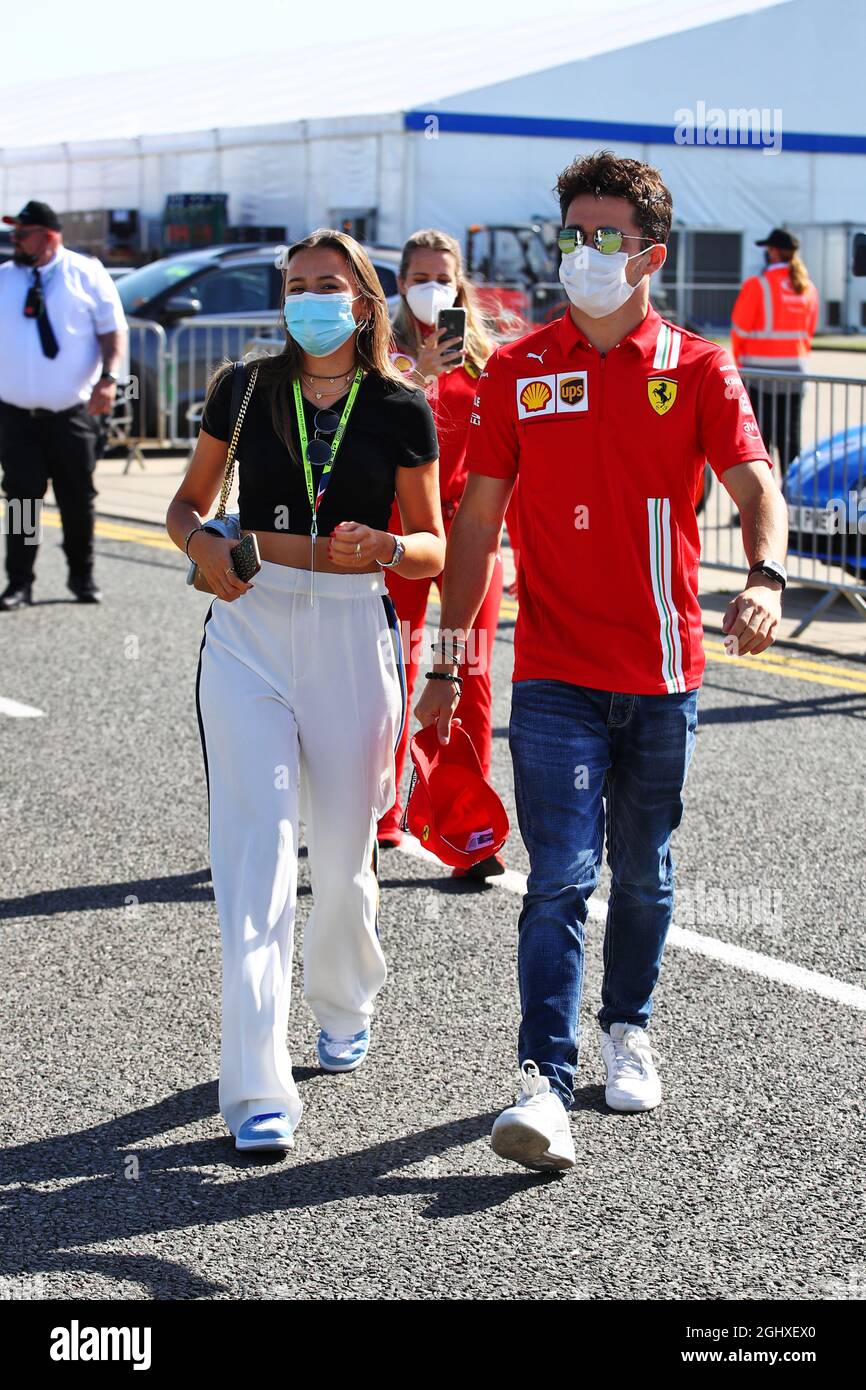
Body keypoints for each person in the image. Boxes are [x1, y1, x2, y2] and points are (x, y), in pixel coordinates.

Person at [415, 150, 789, 1172]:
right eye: (568, 235)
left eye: (602, 238)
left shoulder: (697, 367)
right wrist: (447, 664)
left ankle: (628, 1025)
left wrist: (762, 575)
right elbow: (475, 525)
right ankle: (539, 1077)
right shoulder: (518, 369)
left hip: (663, 671)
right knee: (558, 878)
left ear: (647, 256)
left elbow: (756, 485)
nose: (581, 253)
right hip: (550, 673)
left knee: (645, 874)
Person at [166, 229, 444, 1154]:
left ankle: (341, 995)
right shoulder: (244, 388)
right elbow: (185, 505)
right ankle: (256, 1092)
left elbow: (435, 540)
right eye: (295, 284)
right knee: (254, 869)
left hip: (352, 629)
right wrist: (204, 545)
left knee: (344, 859)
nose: (309, 298)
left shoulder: (402, 405)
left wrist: (395, 551)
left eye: (329, 284)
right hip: (248, 629)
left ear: (365, 300)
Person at [376, 227, 512, 879]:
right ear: (400, 284)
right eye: (420, 277)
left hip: (469, 532)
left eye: (444, 277)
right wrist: (417, 377)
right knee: (394, 670)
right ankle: (382, 809)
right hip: (402, 530)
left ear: (462, 283)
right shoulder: (382, 353)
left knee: (468, 673)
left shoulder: (486, 359)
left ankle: (469, 830)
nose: (433, 288)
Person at [0, 200, 127, 609]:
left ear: (49, 236)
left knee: (77, 500)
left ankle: (82, 577)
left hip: (73, 415)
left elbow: (112, 332)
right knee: (21, 502)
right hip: (16, 416)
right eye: (13, 234)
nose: (14, 240)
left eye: (22, 234)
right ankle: (19, 581)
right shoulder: (4, 278)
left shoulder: (86, 273)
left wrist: (108, 380)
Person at [731, 228, 819, 477]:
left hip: (760, 376)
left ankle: (760, 509)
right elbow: (809, 332)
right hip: (795, 375)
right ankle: (792, 502)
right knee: (791, 443)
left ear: (772, 252)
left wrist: (741, 366)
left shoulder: (758, 285)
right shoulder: (807, 289)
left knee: (759, 445)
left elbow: (739, 330)